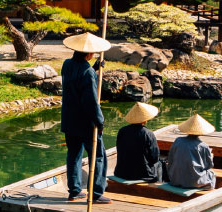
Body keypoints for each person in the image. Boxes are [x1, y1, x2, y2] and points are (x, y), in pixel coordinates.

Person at [61, 31, 115, 203]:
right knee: (98, 157)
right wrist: (100, 122)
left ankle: (75, 191)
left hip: (70, 120)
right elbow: (91, 101)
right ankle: (96, 193)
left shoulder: (67, 65)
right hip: (86, 123)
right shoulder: (87, 73)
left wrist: (95, 68)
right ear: (89, 54)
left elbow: (78, 80)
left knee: (74, 155)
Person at [113, 102, 162, 183]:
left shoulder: (122, 131)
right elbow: (154, 157)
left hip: (121, 173)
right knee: (159, 164)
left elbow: (119, 150)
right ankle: (157, 186)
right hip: (143, 174)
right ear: (145, 119)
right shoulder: (148, 133)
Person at [166, 114, 217, 189]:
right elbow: (209, 166)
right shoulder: (203, 146)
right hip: (194, 182)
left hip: (175, 179)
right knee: (211, 174)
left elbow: (170, 159)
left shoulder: (178, 141)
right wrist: (211, 156)